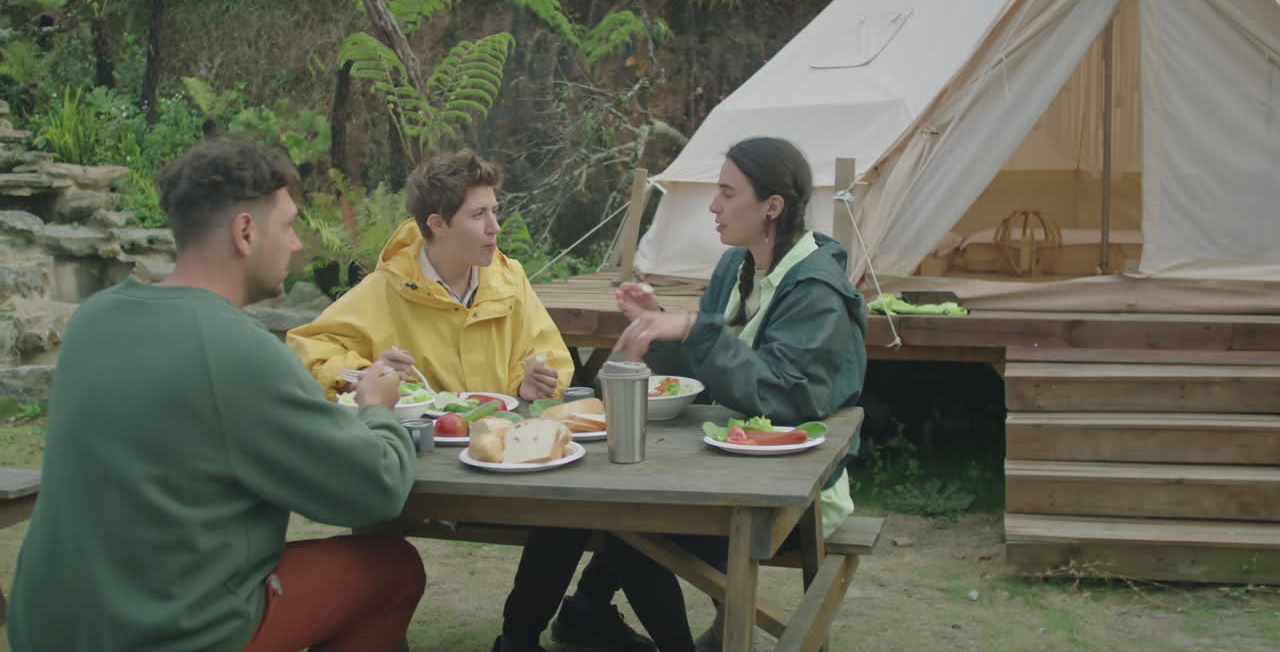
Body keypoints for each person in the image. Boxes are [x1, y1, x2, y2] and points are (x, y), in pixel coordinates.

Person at [7, 139, 425, 652]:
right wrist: (377, 410)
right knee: (391, 568)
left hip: (49, 628)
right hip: (163, 635)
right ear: (246, 232)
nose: (297, 245)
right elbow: (373, 488)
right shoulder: (235, 349)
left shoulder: (93, 318)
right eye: (289, 225)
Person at [607, 136, 868, 652]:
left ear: (773, 207)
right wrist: (662, 325)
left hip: (796, 497)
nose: (712, 206)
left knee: (627, 529)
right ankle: (587, 616)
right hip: (729, 470)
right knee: (609, 515)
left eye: (727, 193)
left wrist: (693, 328)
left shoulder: (817, 290)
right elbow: (715, 372)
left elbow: (785, 395)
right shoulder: (737, 265)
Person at [287, 148, 570, 403]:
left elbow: (550, 355)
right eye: (478, 214)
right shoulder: (385, 289)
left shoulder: (511, 278)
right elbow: (309, 353)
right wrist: (366, 374)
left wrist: (526, 386)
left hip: (500, 446)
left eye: (494, 211)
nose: (494, 226)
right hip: (421, 453)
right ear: (437, 224)